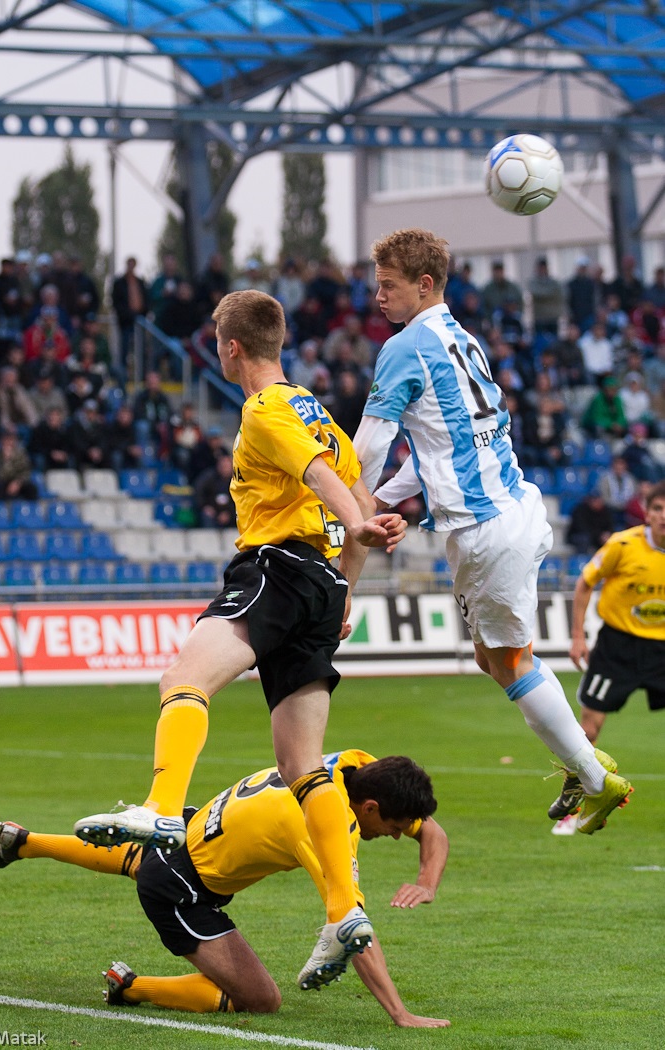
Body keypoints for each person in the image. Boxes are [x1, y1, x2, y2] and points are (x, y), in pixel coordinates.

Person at [74, 290, 406, 992]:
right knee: (303, 765)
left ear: (230, 347)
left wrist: (359, 524)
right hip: (320, 585)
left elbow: (330, 489)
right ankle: (345, 911)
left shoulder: (266, 408)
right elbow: (359, 497)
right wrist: (347, 584)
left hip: (275, 568)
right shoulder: (322, 414)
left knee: (183, 680)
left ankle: (163, 809)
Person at [352, 227, 632, 837]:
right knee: (493, 657)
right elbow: (434, 449)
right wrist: (388, 498)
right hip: (518, 507)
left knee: (510, 658)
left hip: (485, 529)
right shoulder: (460, 338)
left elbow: (370, 448)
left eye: (388, 286)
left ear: (423, 285)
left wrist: (350, 516)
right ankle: (582, 762)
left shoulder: (403, 348)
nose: (378, 297)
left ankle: (592, 776)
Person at [0, 750, 449, 1027]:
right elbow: (354, 932)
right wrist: (399, 1014)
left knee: (142, 858)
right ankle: (130, 987)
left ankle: (29, 843)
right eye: (391, 827)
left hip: (187, 831)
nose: (395, 835)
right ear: (367, 808)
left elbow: (431, 831)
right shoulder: (323, 826)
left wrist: (426, 882)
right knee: (261, 999)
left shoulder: (354, 764)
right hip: (182, 889)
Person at [550, 481, 665, 834]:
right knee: (588, 729)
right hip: (618, 647)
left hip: (661, 648)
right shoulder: (623, 544)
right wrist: (578, 635)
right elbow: (585, 583)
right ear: (647, 512)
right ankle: (575, 803)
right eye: (659, 509)